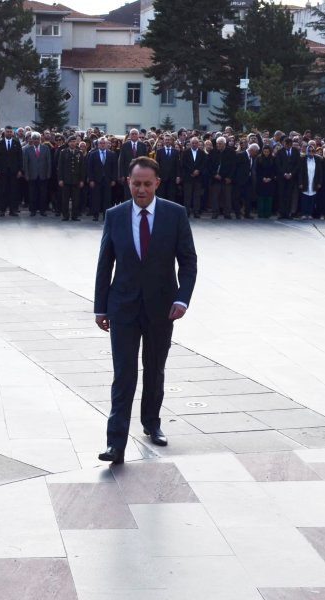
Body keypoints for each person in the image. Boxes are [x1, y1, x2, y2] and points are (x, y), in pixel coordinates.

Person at [93, 157, 197, 464]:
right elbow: (104, 264)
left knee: (154, 369)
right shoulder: (115, 215)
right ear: (128, 182)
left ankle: (152, 423)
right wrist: (100, 308)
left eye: (147, 184)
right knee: (124, 374)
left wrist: (182, 299)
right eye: (136, 184)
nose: (141, 190)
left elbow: (188, 261)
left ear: (157, 184)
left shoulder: (174, 215)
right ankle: (116, 443)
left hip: (162, 308)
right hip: (122, 306)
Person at [87, 137, 117, 222]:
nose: (102, 144)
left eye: (104, 143)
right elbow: (90, 168)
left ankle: (105, 216)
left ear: (107, 144)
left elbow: (114, 168)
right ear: (98, 144)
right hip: (96, 180)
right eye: (101, 143)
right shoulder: (93, 154)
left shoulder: (112, 154)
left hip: (108, 180)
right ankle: (95, 215)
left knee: (107, 199)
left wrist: (113, 179)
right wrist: (91, 180)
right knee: (96, 198)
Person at [22, 132, 52, 216]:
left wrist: (48, 173)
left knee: (43, 194)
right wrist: (26, 175)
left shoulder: (45, 148)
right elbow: (25, 163)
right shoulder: (28, 149)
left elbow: (49, 162)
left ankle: (43, 210)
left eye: (37, 139)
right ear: (32, 139)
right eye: (34, 139)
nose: (36, 141)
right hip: (32, 175)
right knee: (32, 194)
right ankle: (33, 210)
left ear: (40, 140)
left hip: (43, 175)